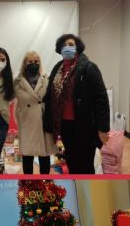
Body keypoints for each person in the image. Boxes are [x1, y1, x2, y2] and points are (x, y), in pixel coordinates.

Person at [43, 34, 110, 174]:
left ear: (78, 48)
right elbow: (50, 96)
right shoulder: (57, 69)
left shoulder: (89, 67)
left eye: (71, 44)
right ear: (60, 49)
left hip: (85, 125)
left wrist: (103, 128)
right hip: (65, 126)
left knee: (85, 164)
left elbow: (101, 98)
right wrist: (48, 123)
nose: (67, 47)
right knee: (72, 161)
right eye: (64, 45)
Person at [14, 51, 56, 174]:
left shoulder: (46, 79)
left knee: (44, 155)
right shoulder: (17, 81)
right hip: (26, 120)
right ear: (25, 63)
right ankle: (28, 182)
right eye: (30, 61)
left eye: (36, 61)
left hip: (43, 119)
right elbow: (8, 97)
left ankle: (45, 181)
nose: (33, 64)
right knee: (27, 155)